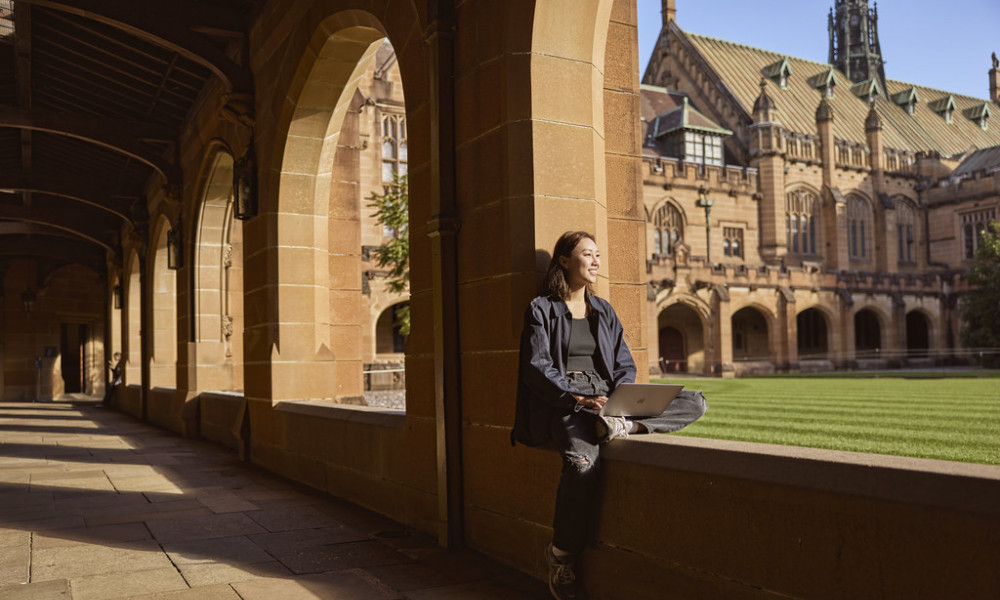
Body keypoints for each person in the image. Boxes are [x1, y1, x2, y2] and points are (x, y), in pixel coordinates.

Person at [511, 231, 706, 600]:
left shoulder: (604, 310)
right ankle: (561, 556)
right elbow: (536, 368)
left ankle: (623, 423)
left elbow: (623, 363)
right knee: (583, 463)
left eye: (598, 254)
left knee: (695, 402)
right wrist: (579, 400)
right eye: (588, 254)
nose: (596, 261)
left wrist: (618, 397)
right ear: (565, 260)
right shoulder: (541, 309)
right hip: (567, 402)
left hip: (607, 399)